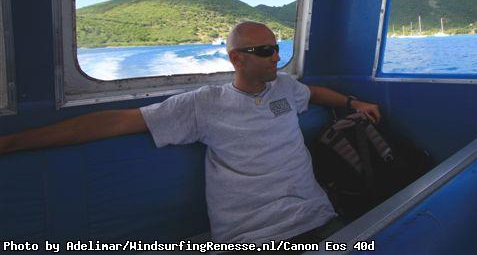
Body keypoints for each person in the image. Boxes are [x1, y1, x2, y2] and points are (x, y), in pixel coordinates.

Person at [0, 21, 381, 246]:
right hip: (253, 236)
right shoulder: (204, 104)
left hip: (317, 217)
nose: (276, 58)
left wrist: (353, 102)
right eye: (265, 51)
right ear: (237, 58)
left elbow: (314, 93)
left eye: (277, 49)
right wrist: (13, 142)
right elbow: (117, 122)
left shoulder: (285, 87)